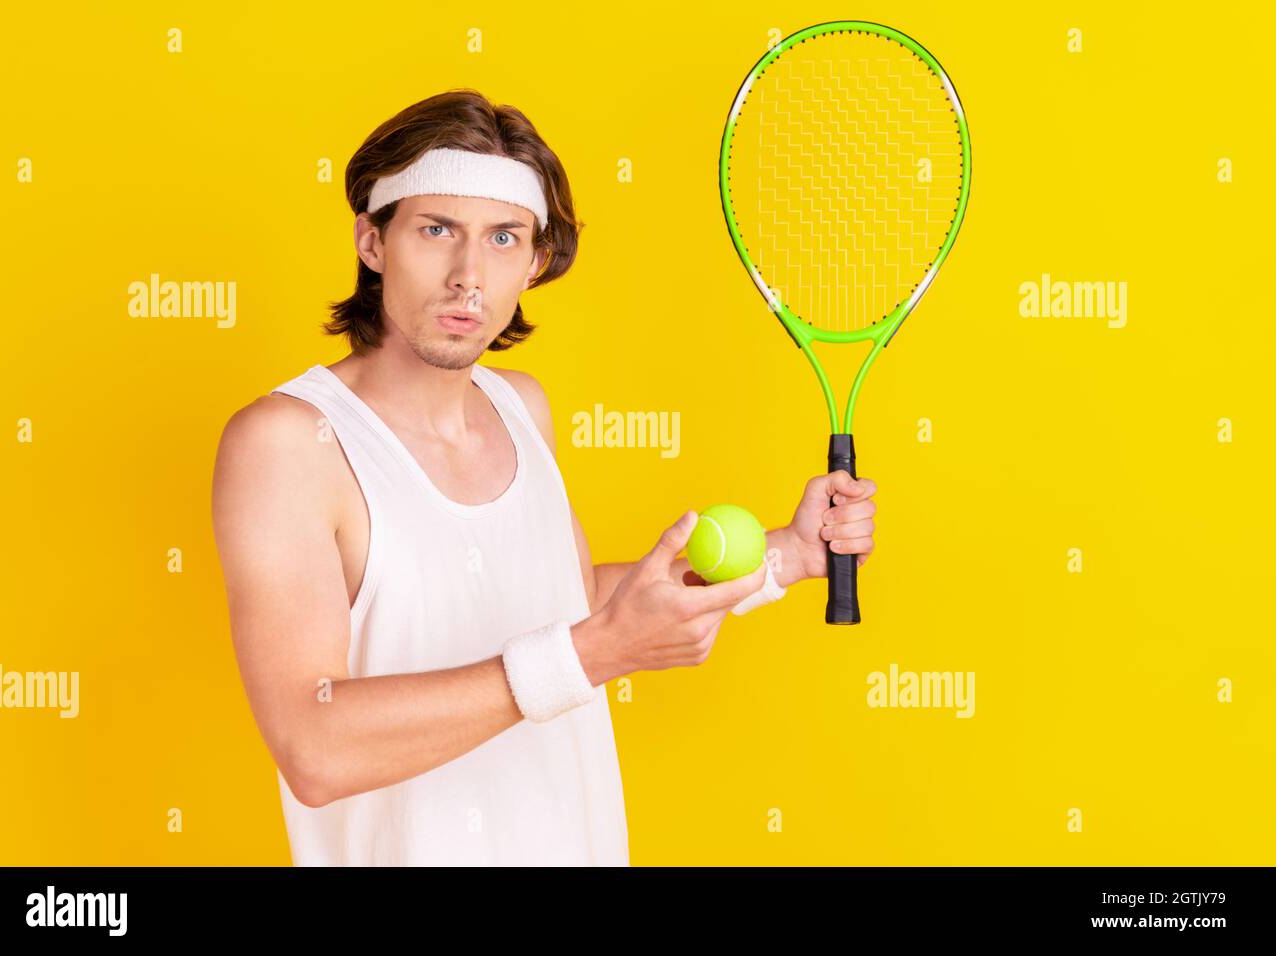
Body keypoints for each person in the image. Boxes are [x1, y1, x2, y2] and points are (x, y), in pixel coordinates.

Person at [210, 89, 878, 866]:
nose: (469, 276)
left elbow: (565, 606)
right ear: (372, 241)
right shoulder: (288, 443)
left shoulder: (520, 405)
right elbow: (314, 746)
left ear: (534, 262)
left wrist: (786, 557)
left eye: (502, 237)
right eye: (436, 230)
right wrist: (596, 654)